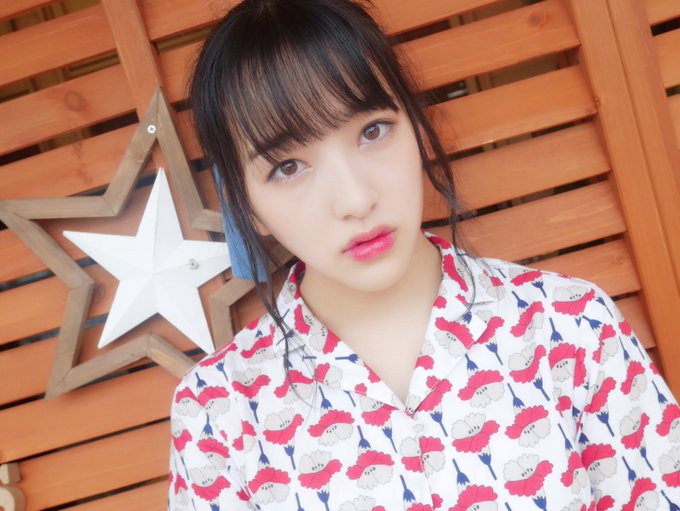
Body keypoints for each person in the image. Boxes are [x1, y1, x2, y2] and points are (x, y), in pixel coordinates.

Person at [168, 0, 680, 509]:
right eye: (287, 167)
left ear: (415, 124)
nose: (355, 200)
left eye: (372, 131)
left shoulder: (570, 326)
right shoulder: (217, 415)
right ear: (243, 203)